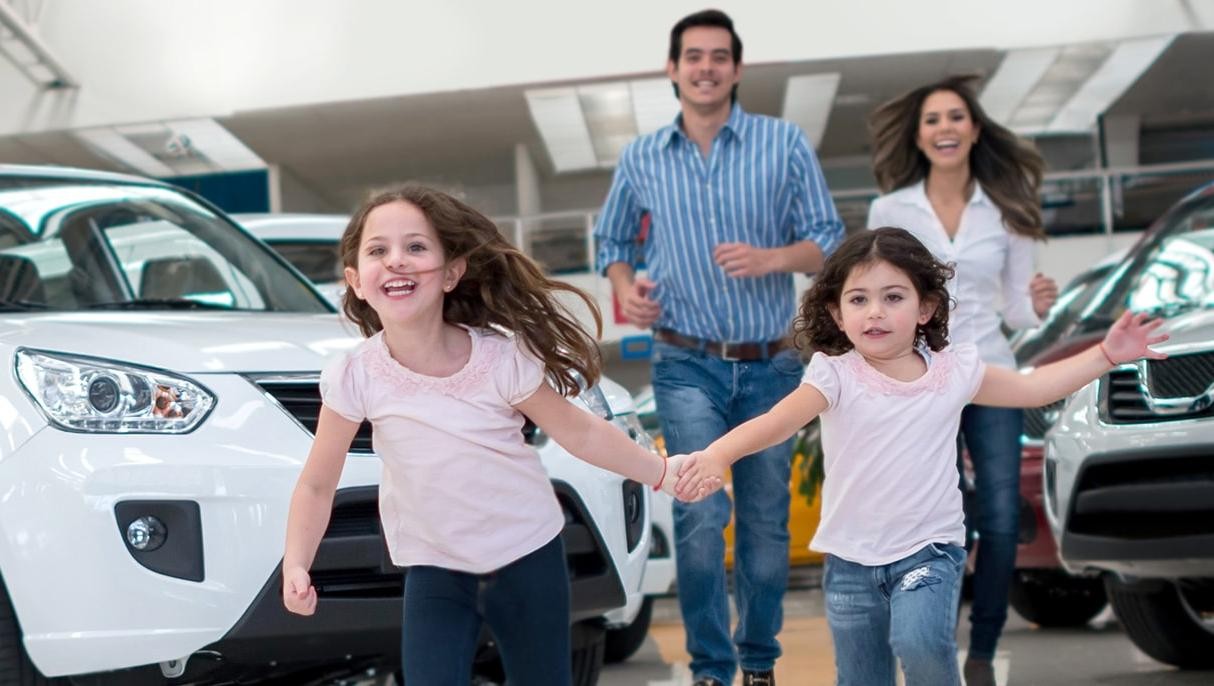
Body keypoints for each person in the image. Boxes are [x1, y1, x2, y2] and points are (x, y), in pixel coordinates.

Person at [673, 227, 1166, 686]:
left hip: (929, 550)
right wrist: (718, 454)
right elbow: (776, 422)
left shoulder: (954, 371)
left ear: (925, 308)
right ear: (837, 314)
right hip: (850, 561)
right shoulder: (834, 375)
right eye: (858, 300)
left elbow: (1033, 389)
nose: (875, 313)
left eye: (893, 298)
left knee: (920, 640)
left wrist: (1106, 354)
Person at [280, 185, 697, 685]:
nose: (397, 261)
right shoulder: (355, 375)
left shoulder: (499, 358)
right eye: (378, 250)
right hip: (434, 569)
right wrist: (297, 564)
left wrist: (662, 473)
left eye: (416, 247)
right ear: (356, 281)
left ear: (452, 272)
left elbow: (579, 432)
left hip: (527, 556)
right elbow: (318, 483)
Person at [594, 9, 844, 686]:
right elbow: (612, 243)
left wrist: (772, 258)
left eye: (719, 56)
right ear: (673, 69)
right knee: (700, 512)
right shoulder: (642, 157)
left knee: (764, 525)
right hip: (683, 362)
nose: (705, 67)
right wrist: (626, 288)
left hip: (772, 364)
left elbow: (827, 238)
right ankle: (711, 666)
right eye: (693, 56)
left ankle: (757, 662)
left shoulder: (783, 142)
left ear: (736, 68)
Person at [866, 74, 1060, 685]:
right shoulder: (889, 210)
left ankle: (982, 648)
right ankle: (933, 638)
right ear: (918, 137)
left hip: (991, 369)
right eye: (932, 120)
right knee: (936, 515)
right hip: (921, 377)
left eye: (955, 117)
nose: (944, 128)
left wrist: (1039, 302)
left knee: (1001, 518)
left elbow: (1019, 313)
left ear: (974, 129)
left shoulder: (1007, 208)